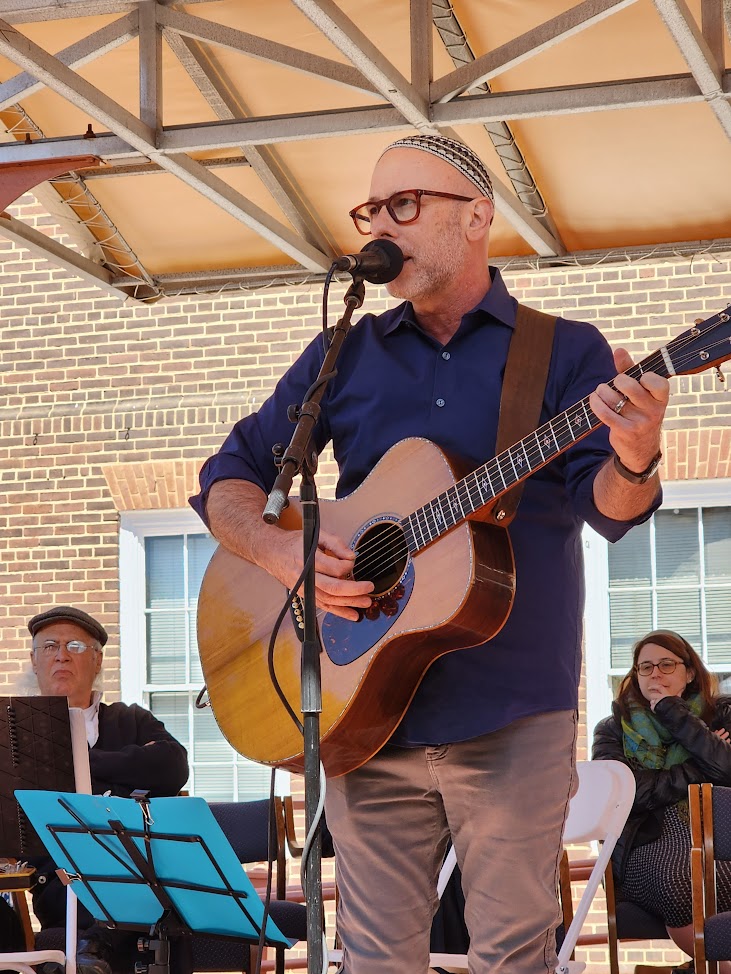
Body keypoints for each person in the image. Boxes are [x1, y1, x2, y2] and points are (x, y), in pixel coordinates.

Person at [190, 133, 670, 974]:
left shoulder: (563, 352)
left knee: (513, 953)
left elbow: (610, 511)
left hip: (511, 708)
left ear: (476, 217)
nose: (381, 225)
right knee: (372, 956)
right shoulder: (346, 352)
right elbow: (231, 476)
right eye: (371, 210)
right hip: (364, 710)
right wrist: (282, 556)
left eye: (403, 205)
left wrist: (635, 454)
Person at [26, 605, 189, 974]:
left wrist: (86, 762)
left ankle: (95, 947)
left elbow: (173, 766)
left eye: (76, 647)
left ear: (97, 660)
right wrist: (127, 774)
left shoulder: (132, 720)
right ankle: (92, 946)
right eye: (50, 646)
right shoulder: (21, 736)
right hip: (61, 880)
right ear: (35, 661)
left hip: (140, 874)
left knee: (165, 900)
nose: (62, 655)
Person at [593, 629, 731, 971]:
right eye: (645, 667)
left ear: (689, 672)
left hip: (718, 835)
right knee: (679, 879)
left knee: (705, 872)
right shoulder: (612, 730)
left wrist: (673, 711)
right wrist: (698, 766)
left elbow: (727, 771)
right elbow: (628, 794)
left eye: (666, 664)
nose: (655, 673)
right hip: (645, 841)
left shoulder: (722, 713)